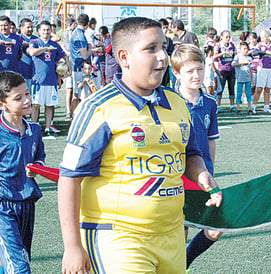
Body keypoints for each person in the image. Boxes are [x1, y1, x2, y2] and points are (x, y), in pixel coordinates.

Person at [58, 17, 222, 274]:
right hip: (118, 236)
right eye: (151, 48)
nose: (163, 57)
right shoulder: (98, 108)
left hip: (173, 234)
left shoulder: (178, 103)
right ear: (124, 57)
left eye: (164, 47)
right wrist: (72, 246)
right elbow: (69, 177)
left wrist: (201, 173)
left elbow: (191, 154)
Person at [170, 44, 222, 271]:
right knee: (179, 230)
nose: (196, 75)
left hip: (203, 176)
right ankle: (175, 266)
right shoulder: (169, 101)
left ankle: (184, 262)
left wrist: (210, 171)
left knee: (216, 227)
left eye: (200, 70)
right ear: (177, 73)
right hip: (176, 176)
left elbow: (211, 139)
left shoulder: (210, 103)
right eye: (190, 71)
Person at [0, 71, 46, 274]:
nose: (27, 100)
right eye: (18, 98)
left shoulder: (34, 129)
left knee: (16, 259)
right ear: (2, 104)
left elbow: (39, 156)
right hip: (3, 207)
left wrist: (37, 166)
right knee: (19, 267)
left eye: (27, 93)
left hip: (27, 204)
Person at [28, 20, 72, 137]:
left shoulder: (55, 44)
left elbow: (64, 57)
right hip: (38, 80)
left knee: (49, 106)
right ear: (39, 31)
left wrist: (68, 69)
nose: (46, 32)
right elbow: (32, 52)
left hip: (51, 80)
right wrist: (45, 49)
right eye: (43, 30)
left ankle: (48, 128)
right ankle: (34, 126)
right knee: (36, 105)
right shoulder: (35, 42)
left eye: (48, 30)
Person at [251, 29, 271, 115]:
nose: (262, 39)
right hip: (262, 68)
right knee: (259, 89)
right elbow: (254, 53)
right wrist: (265, 52)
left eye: (263, 37)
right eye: (261, 37)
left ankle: (266, 107)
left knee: (268, 89)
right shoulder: (260, 45)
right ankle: (253, 106)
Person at [70, 13, 91, 112]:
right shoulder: (80, 36)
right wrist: (90, 47)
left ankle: (73, 115)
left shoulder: (76, 33)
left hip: (78, 68)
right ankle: (74, 116)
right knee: (78, 95)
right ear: (88, 23)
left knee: (78, 94)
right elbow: (85, 55)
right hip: (79, 69)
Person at [214, 30, 237, 112]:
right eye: (226, 37)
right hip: (222, 69)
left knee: (231, 87)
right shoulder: (218, 46)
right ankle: (218, 105)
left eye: (229, 36)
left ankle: (232, 105)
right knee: (220, 88)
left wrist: (234, 54)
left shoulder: (232, 45)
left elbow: (235, 54)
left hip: (231, 69)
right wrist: (223, 53)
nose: (228, 38)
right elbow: (215, 56)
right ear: (222, 37)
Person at [62, 17, 77, 121]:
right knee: (69, 89)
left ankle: (74, 111)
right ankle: (68, 111)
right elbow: (67, 48)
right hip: (70, 63)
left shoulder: (77, 32)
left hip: (76, 64)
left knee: (75, 90)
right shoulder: (67, 33)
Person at [232, 41, 253, 113]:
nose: (246, 50)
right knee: (239, 93)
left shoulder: (249, 58)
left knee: (248, 93)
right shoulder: (237, 57)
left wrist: (252, 80)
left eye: (246, 48)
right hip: (240, 79)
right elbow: (233, 64)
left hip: (248, 79)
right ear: (240, 49)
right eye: (244, 48)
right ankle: (238, 108)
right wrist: (240, 63)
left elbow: (251, 70)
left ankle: (250, 108)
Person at [18, 18, 37, 93]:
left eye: (31, 27)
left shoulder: (36, 39)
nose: (30, 29)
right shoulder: (17, 39)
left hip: (35, 74)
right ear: (21, 28)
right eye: (28, 27)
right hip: (23, 73)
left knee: (35, 100)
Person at [159, 18, 174, 87]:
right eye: (163, 28)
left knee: (165, 86)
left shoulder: (169, 40)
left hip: (166, 67)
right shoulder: (154, 40)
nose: (165, 30)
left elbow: (172, 54)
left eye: (166, 28)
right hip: (156, 66)